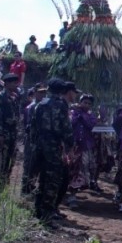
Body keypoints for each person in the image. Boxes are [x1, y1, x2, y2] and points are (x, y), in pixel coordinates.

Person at [30, 78, 74, 225]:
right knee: (53, 180)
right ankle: (47, 214)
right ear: (62, 91)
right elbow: (66, 127)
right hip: (53, 146)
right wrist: (70, 144)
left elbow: (32, 126)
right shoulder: (61, 105)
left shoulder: (40, 104)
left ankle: (37, 210)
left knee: (42, 178)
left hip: (39, 145)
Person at [0, 73, 23, 190]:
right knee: (0, 161)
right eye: (13, 82)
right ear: (7, 84)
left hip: (12, 133)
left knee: (10, 161)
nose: (16, 85)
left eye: (16, 82)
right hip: (3, 133)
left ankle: (3, 186)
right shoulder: (0, 97)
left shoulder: (14, 97)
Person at [66, 93, 101, 202]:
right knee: (70, 168)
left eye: (89, 103)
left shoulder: (91, 116)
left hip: (85, 147)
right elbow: (71, 123)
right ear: (80, 103)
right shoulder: (72, 112)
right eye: (84, 102)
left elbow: (89, 125)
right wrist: (76, 112)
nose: (86, 105)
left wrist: (81, 114)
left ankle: (73, 195)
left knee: (80, 170)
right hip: (73, 146)